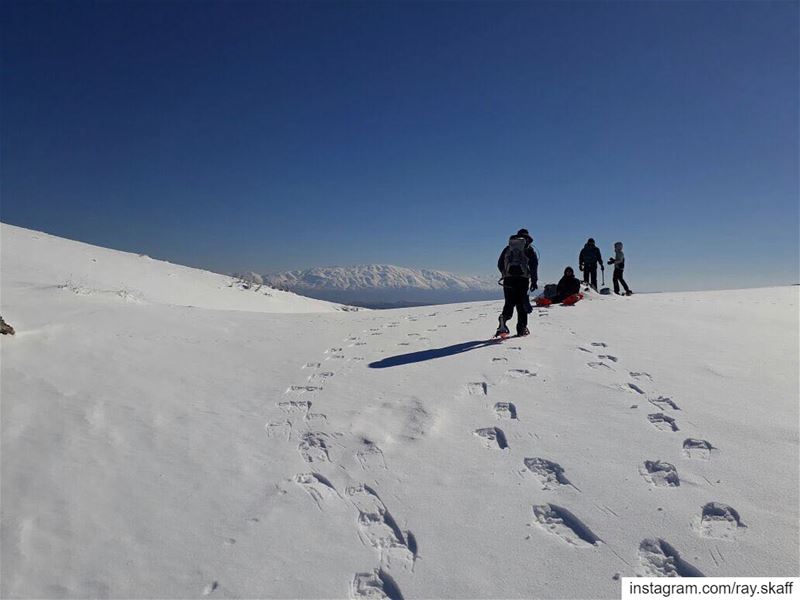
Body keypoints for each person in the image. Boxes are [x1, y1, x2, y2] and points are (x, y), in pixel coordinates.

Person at [496, 229, 538, 337]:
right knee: (521, 305)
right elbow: (534, 266)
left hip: (508, 280)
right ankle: (521, 329)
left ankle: (503, 320)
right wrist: (534, 281)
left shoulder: (508, 248)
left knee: (509, 303)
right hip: (522, 280)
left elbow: (500, 264)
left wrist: (505, 273)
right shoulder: (529, 250)